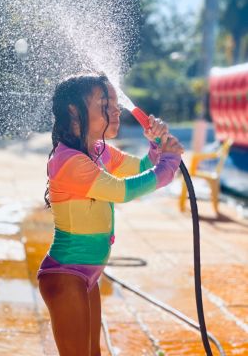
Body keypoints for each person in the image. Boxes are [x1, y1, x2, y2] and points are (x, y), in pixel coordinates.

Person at [38, 72, 184, 356]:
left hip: (88, 274)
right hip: (66, 274)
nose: (116, 109)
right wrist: (167, 167)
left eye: (116, 103)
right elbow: (121, 191)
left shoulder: (98, 151)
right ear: (73, 111)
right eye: (105, 103)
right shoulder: (68, 161)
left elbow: (140, 166)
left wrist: (156, 145)